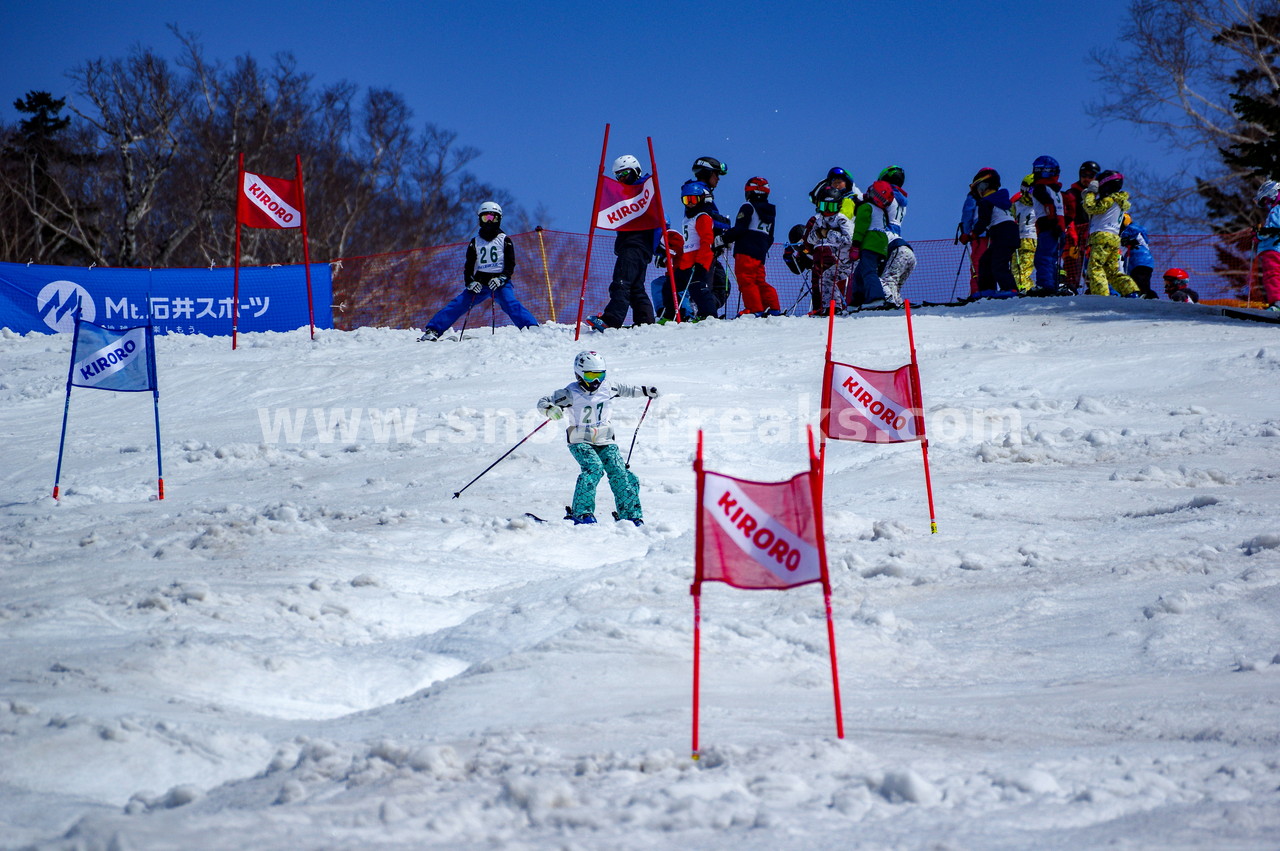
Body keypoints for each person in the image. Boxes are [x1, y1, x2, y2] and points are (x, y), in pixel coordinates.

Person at [537, 351, 660, 525]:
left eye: (600, 375)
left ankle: (630, 515)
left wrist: (646, 391)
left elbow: (628, 390)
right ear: (579, 374)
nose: (596, 380)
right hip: (580, 439)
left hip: (604, 438)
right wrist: (550, 409)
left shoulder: (608, 387)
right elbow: (543, 401)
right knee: (594, 468)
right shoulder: (570, 393)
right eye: (590, 375)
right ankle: (582, 512)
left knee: (619, 471)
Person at [418, 202, 538, 341]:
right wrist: (470, 282)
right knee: (459, 303)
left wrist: (501, 278)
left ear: (499, 219)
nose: (489, 221)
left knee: (509, 302)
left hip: (499, 282)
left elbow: (510, 264)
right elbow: (469, 266)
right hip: (480, 282)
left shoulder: (505, 240)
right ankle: (433, 330)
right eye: (485, 218)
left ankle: (531, 328)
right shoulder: (475, 242)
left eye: (492, 218)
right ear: (480, 219)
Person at [587, 155, 659, 331]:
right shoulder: (626, 195)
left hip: (635, 245)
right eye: (618, 176)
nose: (622, 179)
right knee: (635, 287)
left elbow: (660, 218)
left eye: (625, 174)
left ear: (636, 171)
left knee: (621, 282)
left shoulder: (641, 191)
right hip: (637, 246)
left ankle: (611, 320)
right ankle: (645, 321)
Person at [666, 180, 722, 320]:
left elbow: (706, 240)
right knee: (670, 286)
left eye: (693, 199)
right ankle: (669, 316)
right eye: (686, 200)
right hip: (687, 261)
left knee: (698, 286)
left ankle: (709, 316)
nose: (690, 203)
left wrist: (701, 263)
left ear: (701, 199)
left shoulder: (702, 217)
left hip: (699, 259)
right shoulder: (688, 218)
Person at [726, 176, 781, 315]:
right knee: (759, 280)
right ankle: (772, 306)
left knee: (746, 280)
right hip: (760, 251)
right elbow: (771, 236)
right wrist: (762, 248)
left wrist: (723, 238)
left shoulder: (748, 207)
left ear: (749, 192)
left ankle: (754, 309)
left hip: (745, 249)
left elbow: (740, 228)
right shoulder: (770, 213)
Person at [1081, 170, 1140, 297]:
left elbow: (1090, 207)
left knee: (1095, 268)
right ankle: (1131, 291)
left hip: (1101, 237)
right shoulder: (1119, 202)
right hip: (1113, 239)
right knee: (1112, 271)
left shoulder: (1109, 200)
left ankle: (1100, 296)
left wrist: (1090, 193)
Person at [968, 167, 1019, 298]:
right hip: (1007, 233)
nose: (978, 192)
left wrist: (972, 234)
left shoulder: (986, 201)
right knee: (985, 260)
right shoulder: (1000, 199)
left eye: (979, 188)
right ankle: (987, 289)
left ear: (985, 186)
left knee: (998, 262)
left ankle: (1010, 289)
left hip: (1003, 232)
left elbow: (983, 221)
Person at [847, 179, 896, 310]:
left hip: (870, 242)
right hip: (881, 243)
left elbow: (861, 226)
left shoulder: (866, 207)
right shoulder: (881, 211)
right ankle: (857, 300)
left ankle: (876, 298)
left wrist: (856, 244)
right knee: (859, 272)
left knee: (868, 271)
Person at [803, 186, 854, 313]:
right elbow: (810, 239)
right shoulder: (819, 219)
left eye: (830, 207)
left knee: (832, 278)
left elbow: (848, 239)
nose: (826, 211)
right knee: (826, 277)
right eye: (823, 206)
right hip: (840, 262)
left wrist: (828, 233)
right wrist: (819, 234)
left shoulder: (842, 219)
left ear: (838, 206)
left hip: (851, 262)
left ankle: (844, 306)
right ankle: (832, 307)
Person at [1029, 155, 1069, 296]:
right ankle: (1053, 285)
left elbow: (1048, 205)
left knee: (1043, 257)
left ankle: (1045, 286)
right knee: (1052, 259)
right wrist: (1062, 226)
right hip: (1059, 229)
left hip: (1048, 227)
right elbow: (1068, 210)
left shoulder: (1040, 187)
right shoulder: (1057, 191)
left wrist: (1052, 223)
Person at [1062, 160, 1101, 293]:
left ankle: (1094, 288)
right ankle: (1070, 287)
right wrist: (1072, 235)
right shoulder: (1073, 193)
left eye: (1090, 176)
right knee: (1072, 263)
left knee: (1094, 264)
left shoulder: (1100, 195)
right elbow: (1069, 216)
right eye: (1084, 175)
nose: (1086, 179)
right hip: (1075, 236)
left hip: (1092, 236)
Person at [957, 168, 993, 296]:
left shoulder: (973, 196)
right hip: (994, 234)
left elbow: (967, 214)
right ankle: (991, 291)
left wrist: (966, 233)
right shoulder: (995, 195)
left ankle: (977, 292)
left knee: (977, 265)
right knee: (992, 265)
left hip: (978, 235)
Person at [1254, 179, 1280, 312]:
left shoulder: (1277, 209)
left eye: (1265, 201)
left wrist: (1259, 234)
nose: (1266, 205)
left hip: (1274, 248)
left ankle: (1278, 303)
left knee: (1272, 274)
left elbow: (1272, 229)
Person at [1011, 173, 1039, 292]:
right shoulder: (1017, 204)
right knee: (1014, 269)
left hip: (1031, 240)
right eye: (1032, 190)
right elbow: (1010, 219)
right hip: (1017, 241)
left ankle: (1027, 289)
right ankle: (1024, 289)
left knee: (1023, 270)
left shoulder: (1039, 206)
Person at [1120, 217, 1158, 298]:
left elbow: (1135, 233)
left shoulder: (1131, 229)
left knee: (1139, 282)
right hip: (1141, 262)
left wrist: (1127, 240)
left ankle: (1145, 296)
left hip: (1139, 261)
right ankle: (1150, 297)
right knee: (1142, 283)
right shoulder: (1129, 231)